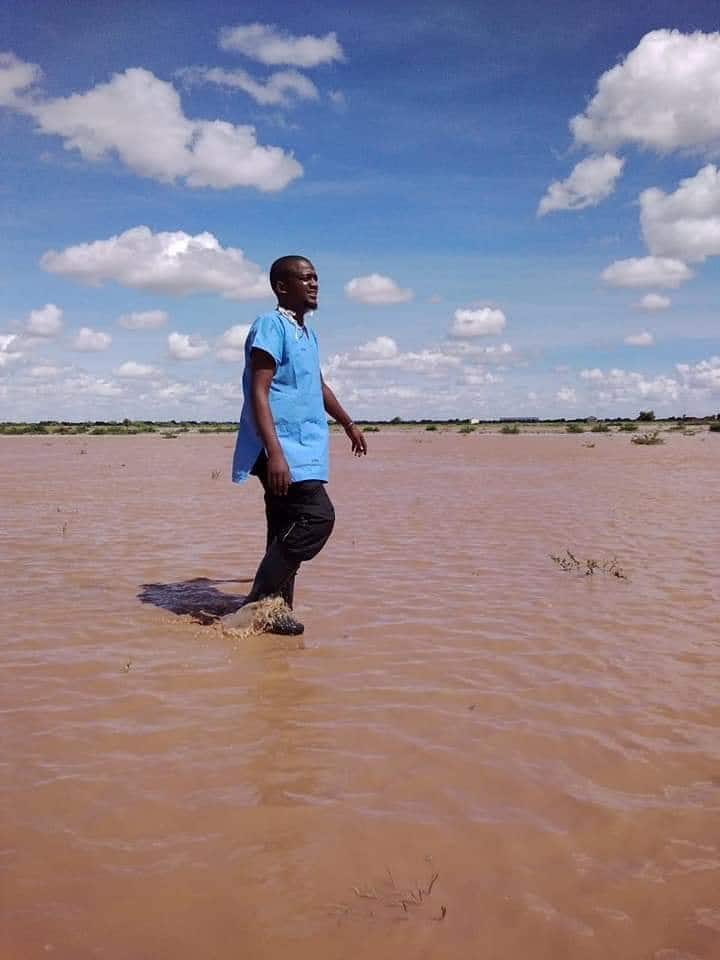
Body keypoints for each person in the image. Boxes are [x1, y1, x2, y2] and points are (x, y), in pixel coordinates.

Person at [229, 255, 367, 635]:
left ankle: (276, 612)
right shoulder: (270, 326)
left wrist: (348, 424)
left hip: (304, 448)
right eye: (304, 278)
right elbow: (258, 391)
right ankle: (257, 601)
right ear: (281, 286)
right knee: (317, 517)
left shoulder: (307, 334)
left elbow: (317, 386)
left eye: (316, 278)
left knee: (284, 528)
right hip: (279, 449)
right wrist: (274, 454)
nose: (313, 284)